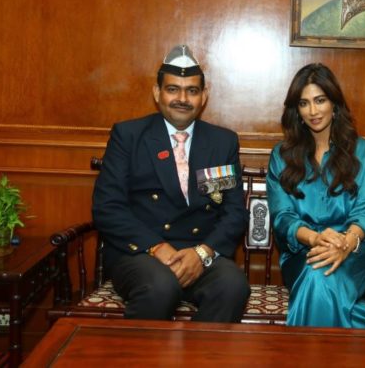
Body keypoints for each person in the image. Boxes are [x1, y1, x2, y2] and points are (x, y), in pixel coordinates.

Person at [92, 45, 250, 322]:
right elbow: (108, 207)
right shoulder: (129, 136)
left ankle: (200, 350)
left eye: (192, 91)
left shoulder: (221, 142)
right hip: (141, 252)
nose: (182, 99)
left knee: (233, 286)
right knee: (160, 287)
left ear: (204, 97)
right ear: (157, 93)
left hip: (200, 251)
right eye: (173, 89)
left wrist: (202, 253)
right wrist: (157, 247)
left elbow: (234, 212)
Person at [266, 63, 365, 328]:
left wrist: (344, 243)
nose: (313, 111)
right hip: (302, 251)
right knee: (317, 274)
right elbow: (282, 217)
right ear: (296, 110)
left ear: (334, 103)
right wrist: (315, 238)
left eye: (320, 100)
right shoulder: (281, 156)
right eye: (304, 103)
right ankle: (359, 339)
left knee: (319, 277)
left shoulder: (363, 152)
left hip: (358, 250)